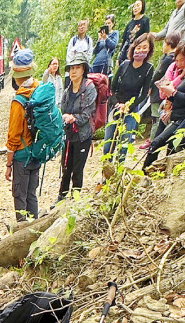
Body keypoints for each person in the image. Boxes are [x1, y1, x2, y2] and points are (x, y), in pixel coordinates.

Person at [144, 29, 185, 168]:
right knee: (163, 146)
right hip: (178, 117)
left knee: (158, 144)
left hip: (184, 119)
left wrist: (172, 93)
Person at [103, 33, 155, 169]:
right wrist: (117, 104)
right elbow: (112, 88)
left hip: (132, 109)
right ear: (134, 48)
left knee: (124, 144)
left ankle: (119, 173)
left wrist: (129, 106)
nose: (141, 50)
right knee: (109, 144)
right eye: (139, 47)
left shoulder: (149, 68)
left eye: (145, 47)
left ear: (149, 50)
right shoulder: (125, 65)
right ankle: (105, 174)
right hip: (116, 106)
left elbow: (144, 94)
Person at [55, 52, 97, 204]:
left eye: (77, 68)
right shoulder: (68, 89)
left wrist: (73, 118)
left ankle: (75, 200)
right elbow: (63, 108)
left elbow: (87, 113)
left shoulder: (89, 88)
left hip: (82, 136)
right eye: (71, 68)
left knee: (77, 169)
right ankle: (61, 198)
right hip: (68, 135)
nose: (73, 71)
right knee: (66, 167)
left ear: (83, 70)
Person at [5, 49, 41, 222]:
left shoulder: (19, 101)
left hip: (22, 156)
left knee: (20, 196)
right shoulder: (39, 90)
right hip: (37, 152)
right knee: (31, 194)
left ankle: (22, 235)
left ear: (17, 76)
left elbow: (13, 136)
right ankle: (35, 231)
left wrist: (8, 164)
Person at [148, 31, 182, 124]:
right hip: (170, 93)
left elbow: (158, 74)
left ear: (168, 44)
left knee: (156, 117)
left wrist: (150, 85)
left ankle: (153, 137)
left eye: (164, 43)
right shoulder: (175, 57)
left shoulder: (168, 59)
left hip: (159, 91)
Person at [118, 0, 150, 66]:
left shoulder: (145, 20)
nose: (135, 8)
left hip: (136, 52)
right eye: (134, 6)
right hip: (126, 51)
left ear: (142, 6)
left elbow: (146, 37)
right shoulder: (130, 23)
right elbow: (124, 40)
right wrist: (120, 54)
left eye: (138, 5)